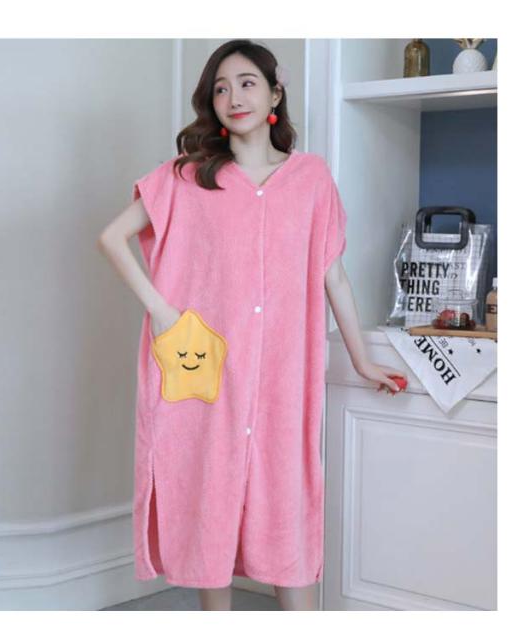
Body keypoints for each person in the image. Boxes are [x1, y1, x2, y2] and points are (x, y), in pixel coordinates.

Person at [98, 39, 407, 611]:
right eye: (221, 88)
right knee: (210, 502)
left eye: (246, 83)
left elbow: (333, 277)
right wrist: (163, 312)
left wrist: (361, 359)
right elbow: (111, 237)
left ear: (274, 93)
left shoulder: (311, 179)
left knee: (287, 509)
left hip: (284, 379)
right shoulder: (188, 177)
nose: (233, 97)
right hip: (210, 372)